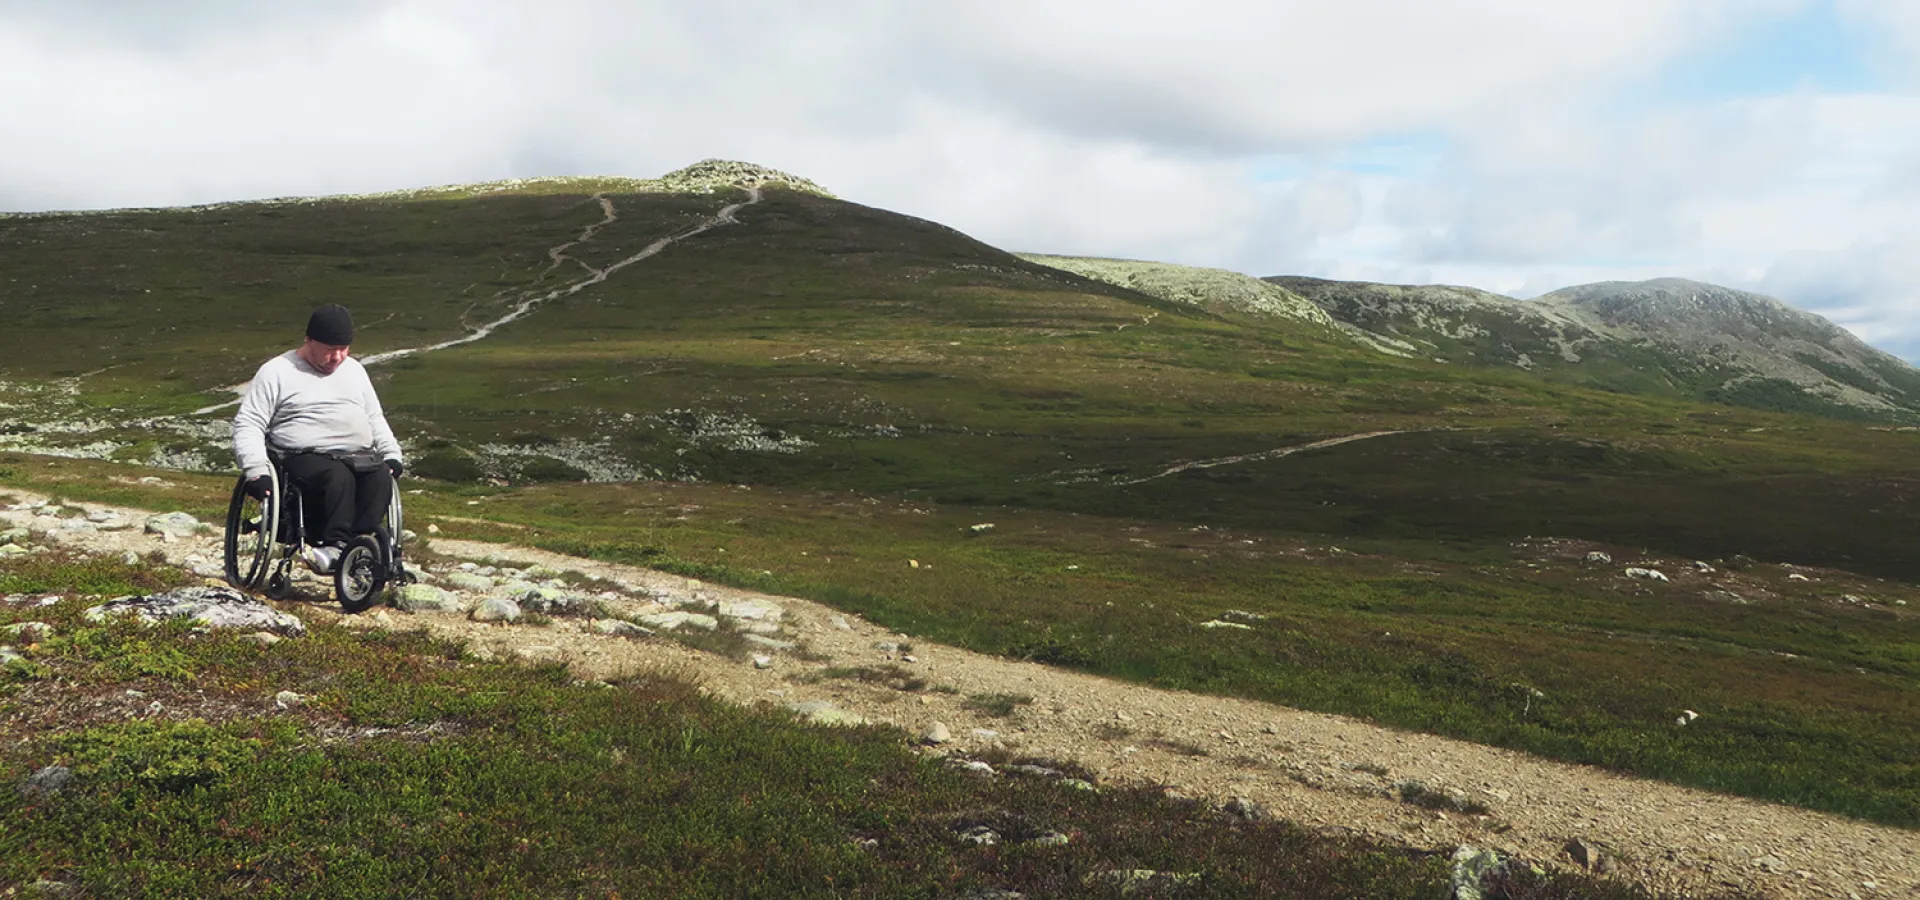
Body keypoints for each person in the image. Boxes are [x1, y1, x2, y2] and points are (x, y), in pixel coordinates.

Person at [232, 304, 404, 574]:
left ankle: (358, 548)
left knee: (381, 476)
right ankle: (336, 547)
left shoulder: (355, 370)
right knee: (337, 476)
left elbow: (374, 416)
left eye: (344, 349)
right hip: (301, 456)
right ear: (309, 340)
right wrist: (255, 469)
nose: (337, 357)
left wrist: (392, 454)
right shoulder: (277, 371)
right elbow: (249, 422)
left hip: (358, 455)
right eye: (329, 349)